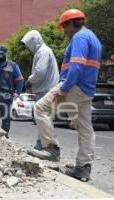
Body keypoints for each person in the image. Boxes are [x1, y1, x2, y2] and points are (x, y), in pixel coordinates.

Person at [28, 9, 102, 182]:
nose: (65, 31)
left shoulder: (80, 37)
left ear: (73, 23)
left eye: (65, 27)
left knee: (40, 108)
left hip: (74, 85)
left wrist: (64, 88)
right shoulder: (93, 38)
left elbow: (76, 66)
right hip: (86, 89)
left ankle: (50, 148)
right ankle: (83, 168)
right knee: (85, 128)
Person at [21, 30, 59, 150]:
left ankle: (47, 146)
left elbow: (40, 72)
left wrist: (30, 80)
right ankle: (41, 144)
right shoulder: (43, 51)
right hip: (46, 89)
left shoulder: (42, 51)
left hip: (46, 91)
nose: (28, 48)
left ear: (34, 41)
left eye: (28, 44)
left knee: (43, 119)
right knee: (43, 119)